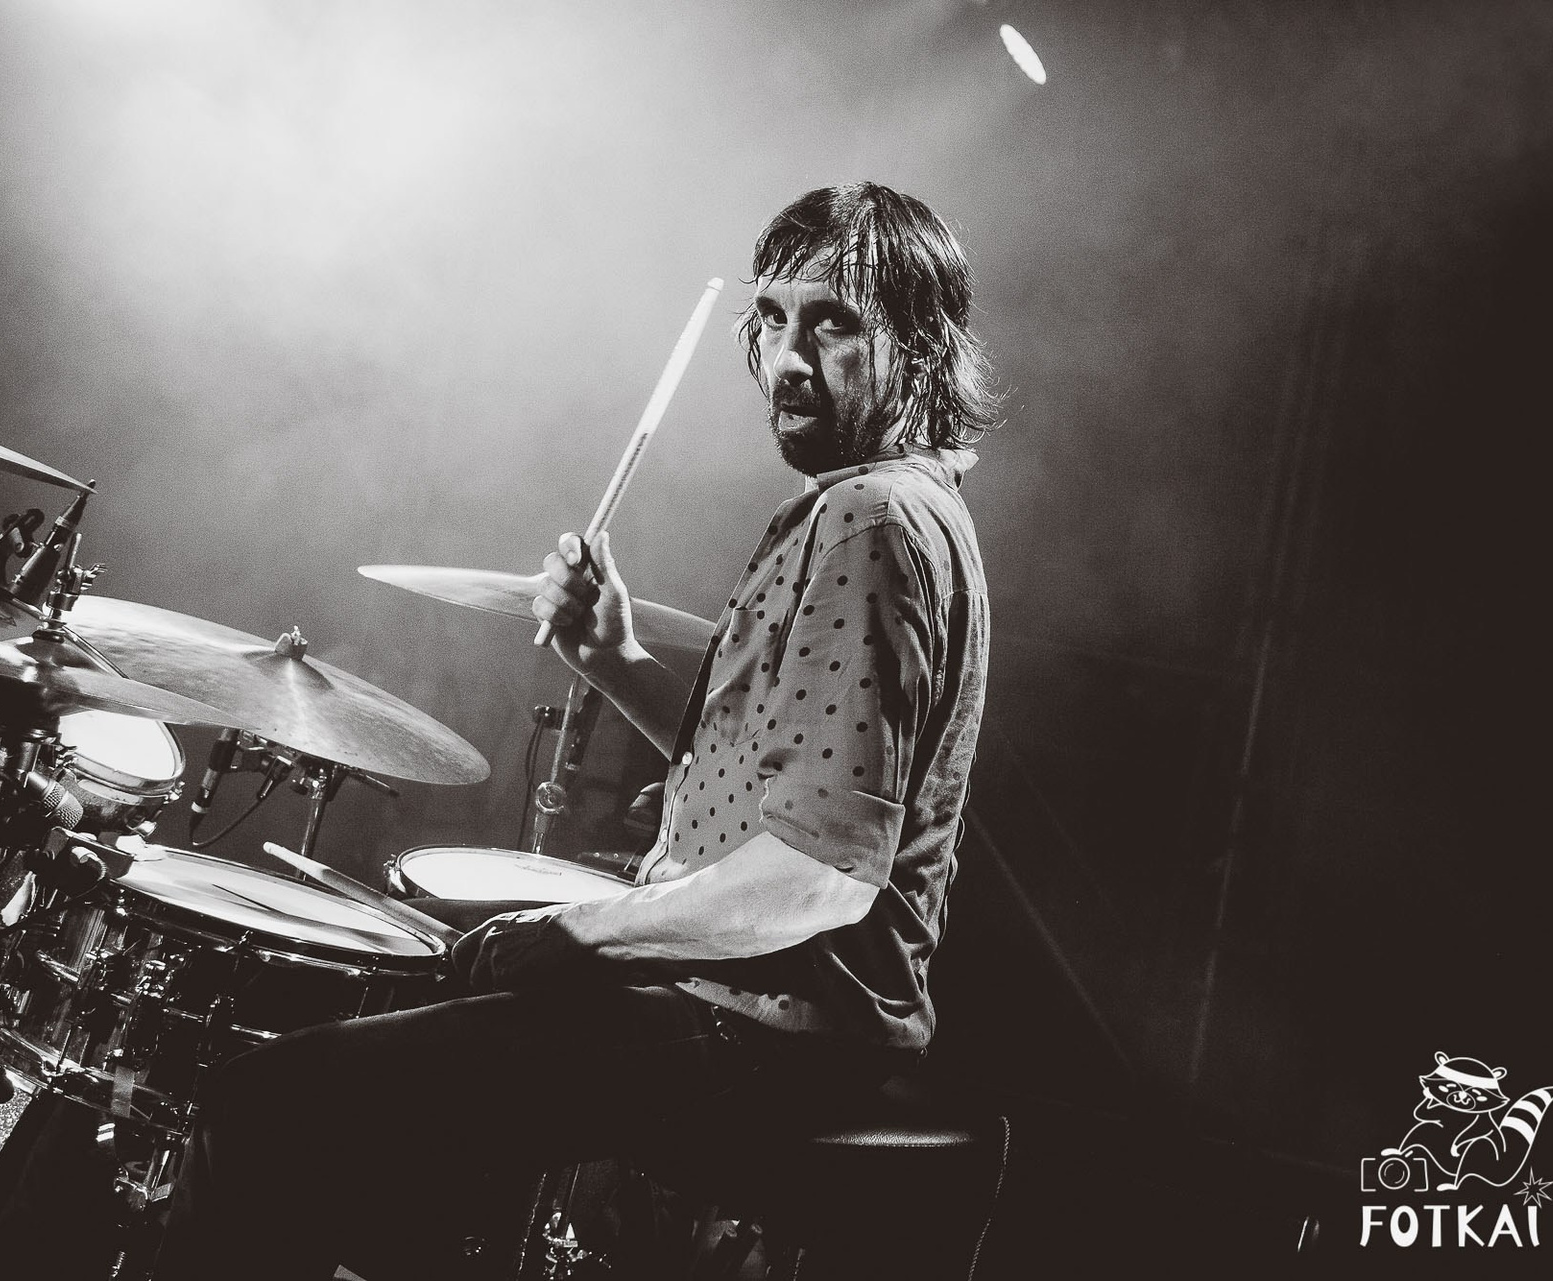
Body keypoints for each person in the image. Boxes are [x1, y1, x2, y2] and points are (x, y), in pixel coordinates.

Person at [152, 180, 998, 1279]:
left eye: (832, 322)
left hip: (762, 1031)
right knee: (404, 1118)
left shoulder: (868, 517)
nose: (788, 357)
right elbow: (773, 784)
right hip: (763, 1018)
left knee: (266, 1104)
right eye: (772, 318)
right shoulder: (916, 510)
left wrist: (577, 935)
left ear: (920, 348)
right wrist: (615, 659)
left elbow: (817, 877)